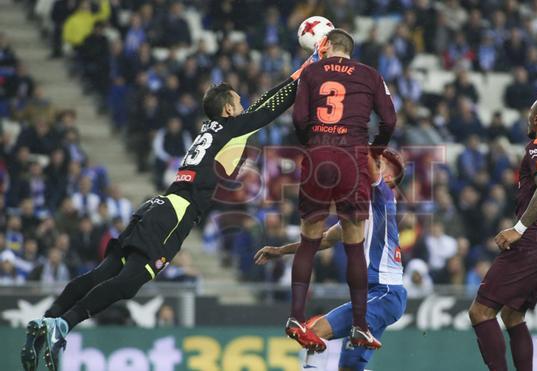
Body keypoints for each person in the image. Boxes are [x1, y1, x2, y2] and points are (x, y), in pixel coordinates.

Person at [20, 49, 322, 371]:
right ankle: (63, 324)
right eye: (239, 103)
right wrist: (308, 68)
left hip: (157, 206)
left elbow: (261, 103)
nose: (245, 107)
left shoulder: (211, 130)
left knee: (103, 273)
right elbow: (271, 104)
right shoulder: (232, 128)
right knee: (129, 282)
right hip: (176, 213)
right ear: (229, 109)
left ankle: (47, 321)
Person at [288, 28, 396, 351]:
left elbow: (297, 118)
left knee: (309, 239)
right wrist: (375, 150)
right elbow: (389, 120)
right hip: (354, 155)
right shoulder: (370, 74)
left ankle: (295, 317)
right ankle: (360, 326)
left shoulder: (311, 72)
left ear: (327, 46)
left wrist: (313, 143)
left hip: (319, 153)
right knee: (353, 242)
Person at [255, 149, 406, 370]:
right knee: (349, 367)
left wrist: (348, 127)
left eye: (380, 163)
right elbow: (323, 241)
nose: (374, 163)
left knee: (314, 333)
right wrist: (280, 251)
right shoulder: (357, 213)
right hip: (377, 296)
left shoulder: (384, 197)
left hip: (384, 293)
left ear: (389, 178)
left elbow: (366, 164)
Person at [467, 91, 537, 371]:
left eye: (530, 114)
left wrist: (521, 229)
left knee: (480, 312)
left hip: (532, 240)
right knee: (513, 316)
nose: (527, 120)